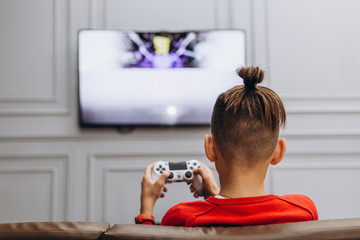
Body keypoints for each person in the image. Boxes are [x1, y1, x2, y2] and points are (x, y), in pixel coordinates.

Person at [135, 66, 318, 226]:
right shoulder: (303, 211)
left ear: (209, 147)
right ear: (279, 151)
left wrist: (147, 208)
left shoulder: (183, 217)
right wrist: (214, 196)